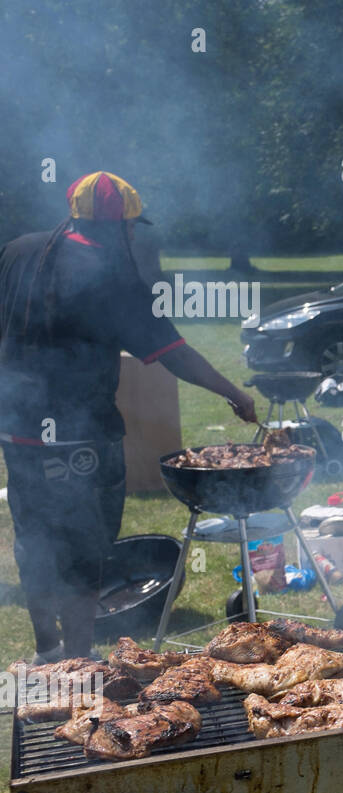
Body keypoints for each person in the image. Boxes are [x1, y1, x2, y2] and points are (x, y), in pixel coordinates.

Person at [0, 171, 257, 664]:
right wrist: (233, 394)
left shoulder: (15, 251)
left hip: (19, 431)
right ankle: (77, 657)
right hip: (83, 439)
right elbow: (174, 354)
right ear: (121, 229)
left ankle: (46, 649)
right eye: (135, 228)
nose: (137, 237)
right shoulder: (110, 277)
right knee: (85, 542)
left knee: (35, 538)